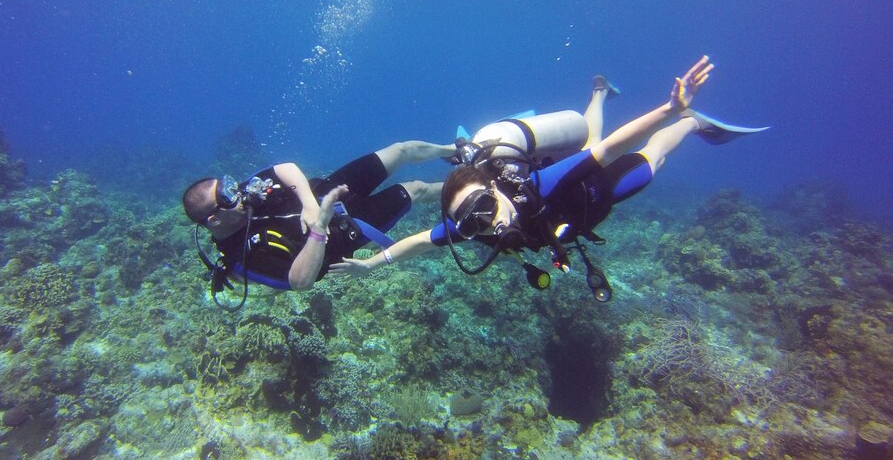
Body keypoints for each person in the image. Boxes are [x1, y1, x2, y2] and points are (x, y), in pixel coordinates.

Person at [331, 56, 768, 300]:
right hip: (577, 219)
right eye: (470, 221)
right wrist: (371, 263)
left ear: (494, 188)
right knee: (593, 135)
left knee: (649, 160)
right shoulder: (472, 228)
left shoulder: (536, 186)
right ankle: (600, 91)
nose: (484, 222)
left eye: (483, 206)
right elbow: (422, 241)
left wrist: (670, 110)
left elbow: (610, 148)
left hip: (595, 190)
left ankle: (690, 122)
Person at [182, 140, 456, 307]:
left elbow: (285, 168)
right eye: (227, 197)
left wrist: (311, 205)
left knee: (401, 150)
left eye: (229, 186)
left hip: (329, 189)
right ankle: (467, 189)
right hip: (348, 229)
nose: (237, 194)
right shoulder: (241, 257)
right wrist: (319, 226)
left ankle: (458, 150)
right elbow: (300, 281)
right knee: (416, 188)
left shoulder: (244, 194)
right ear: (214, 219)